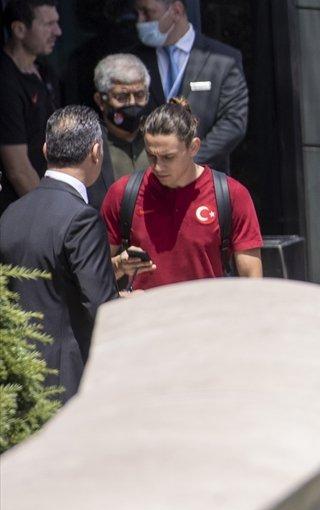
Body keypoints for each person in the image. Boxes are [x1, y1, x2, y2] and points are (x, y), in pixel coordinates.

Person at [0, 107, 117, 402]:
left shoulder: (11, 213)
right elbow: (100, 306)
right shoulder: (81, 218)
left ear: (45, 149)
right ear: (96, 151)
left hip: (16, 373)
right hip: (66, 378)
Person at [101, 99, 263, 288]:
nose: (158, 167)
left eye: (168, 157)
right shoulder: (123, 193)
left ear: (193, 147)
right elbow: (93, 274)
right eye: (151, 156)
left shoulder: (231, 195)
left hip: (206, 314)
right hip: (145, 314)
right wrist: (119, 265)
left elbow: (252, 280)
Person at [132, 0, 249, 173]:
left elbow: (233, 123)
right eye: (138, 14)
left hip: (204, 179)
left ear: (176, 11)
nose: (140, 21)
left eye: (147, 13)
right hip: (149, 179)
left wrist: (188, 161)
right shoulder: (134, 60)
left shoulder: (222, 60)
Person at [1, 0, 61, 213]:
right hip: (20, 213)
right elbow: (18, 170)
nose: (58, 31)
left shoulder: (45, 73)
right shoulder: (6, 82)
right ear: (19, 29)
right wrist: (48, 218)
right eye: (48, 24)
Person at [86, 53, 152, 208]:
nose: (132, 103)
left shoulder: (160, 138)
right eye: (122, 97)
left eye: (139, 95)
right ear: (100, 100)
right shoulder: (88, 147)